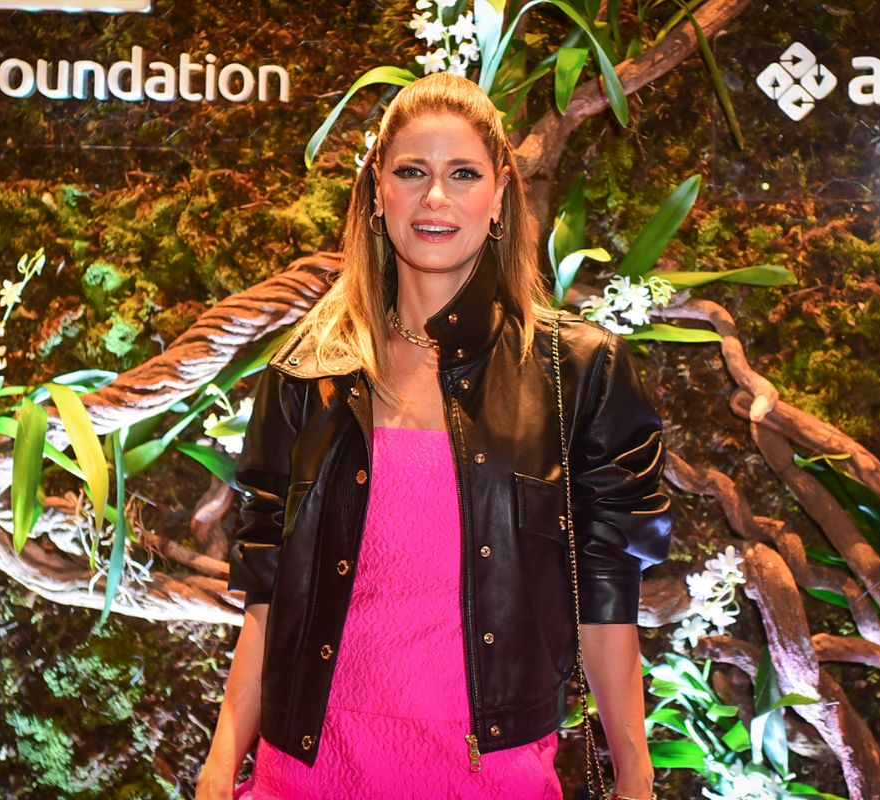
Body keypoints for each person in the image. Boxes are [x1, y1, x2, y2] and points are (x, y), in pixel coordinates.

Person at [196, 71, 671, 800]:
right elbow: (269, 599)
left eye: (463, 174)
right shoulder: (305, 374)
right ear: (376, 192)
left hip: (492, 776)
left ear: (501, 194)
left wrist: (635, 779)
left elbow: (607, 597)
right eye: (412, 172)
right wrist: (220, 762)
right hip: (311, 771)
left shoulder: (579, 373)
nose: (436, 198)